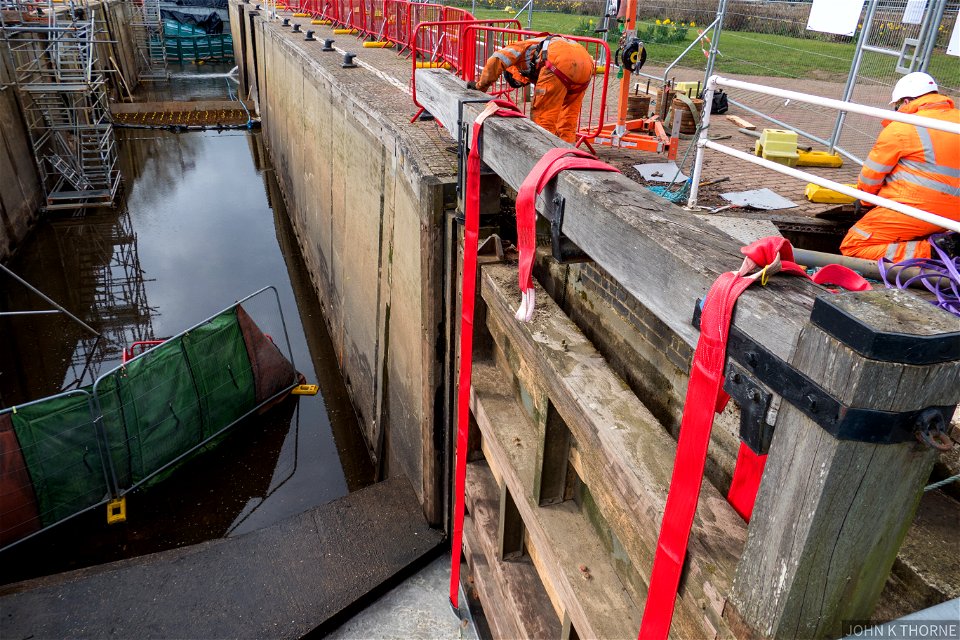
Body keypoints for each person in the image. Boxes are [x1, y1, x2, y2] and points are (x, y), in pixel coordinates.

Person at [839, 71, 959, 262]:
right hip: (955, 218)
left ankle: (933, 251)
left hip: (917, 210)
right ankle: (947, 243)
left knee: (853, 245)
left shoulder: (903, 127)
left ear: (905, 101)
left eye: (896, 106)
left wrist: (864, 202)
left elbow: (872, 176)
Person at [467, 35, 594, 144]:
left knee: (543, 117)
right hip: (586, 64)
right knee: (568, 118)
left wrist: (480, 86)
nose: (521, 82)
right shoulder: (536, 46)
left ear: (512, 71)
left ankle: (543, 152)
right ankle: (568, 153)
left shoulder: (518, 47)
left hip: (558, 62)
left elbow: (496, 60)